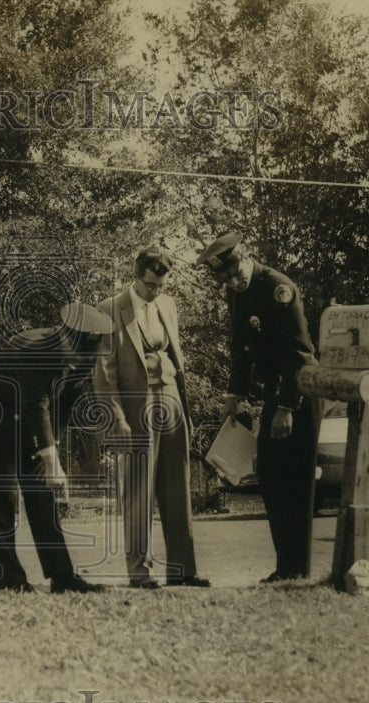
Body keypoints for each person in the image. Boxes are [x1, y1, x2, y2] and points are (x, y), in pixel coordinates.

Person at [197, 232, 321, 583]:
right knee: (270, 476)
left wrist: (286, 408)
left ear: (247, 255)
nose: (234, 282)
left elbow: (298, 353)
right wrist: (232, 395)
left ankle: (298, 568)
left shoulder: (278, 288)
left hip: (297, 392)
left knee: (294, 482)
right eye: (226, 278)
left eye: (236, 273)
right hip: (275, 394)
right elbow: (240, 348)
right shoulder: (237, 295)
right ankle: (286, 567)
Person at [0, 302, 113, 593]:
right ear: (65, 335)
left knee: (43, 497)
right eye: (75, 355)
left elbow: (64, 403)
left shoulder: (84, 354)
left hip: (31, 427)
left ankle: (62, 577)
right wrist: (51, 462)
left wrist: (54, 452)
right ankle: (8, 580)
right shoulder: (34, 347)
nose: (79, 361)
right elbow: (35, 404)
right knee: (1, 500)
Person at [93, 247, 208, 589]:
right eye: (149, 285)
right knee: (139, 492)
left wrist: (185, 411)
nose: (155, 291)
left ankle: (182, 570)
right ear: (136, 275)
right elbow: (103, 373)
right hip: (135, 408)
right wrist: (117, 419)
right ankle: (140, 572)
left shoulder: (168, 305)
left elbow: (177, 356)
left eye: (160, 285)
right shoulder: (110, 309)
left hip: (170, 397)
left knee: (177, 488)